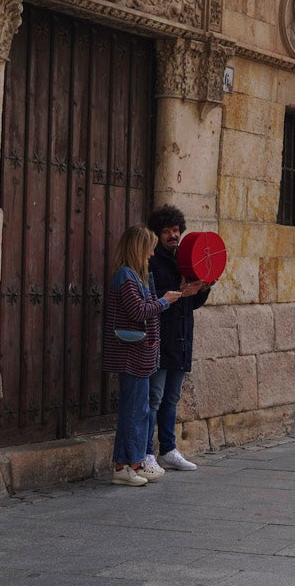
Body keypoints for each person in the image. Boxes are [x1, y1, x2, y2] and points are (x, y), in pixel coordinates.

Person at [103, 225, 183, 486]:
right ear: (138, 248)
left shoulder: (139, 276)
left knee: (139, 409)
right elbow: (139, 311)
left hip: (142, 352)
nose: (151, 254)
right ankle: (126, 465)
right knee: (134, 410)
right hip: (131, 353)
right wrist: (165, 301)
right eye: (149, 248)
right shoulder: (125, 276)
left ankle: (131, 463)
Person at [146, 205, 212, 471]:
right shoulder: (152, 261)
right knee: (154, 398)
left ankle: (169, 449)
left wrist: (201, 290)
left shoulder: (186, 259)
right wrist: (181, 292)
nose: (172, 235)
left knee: (172, 398)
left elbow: (190, 303)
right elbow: (155, 298)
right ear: (158, 234)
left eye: (175, 230)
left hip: (182, 340)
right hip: (161, 340)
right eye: (166, 231)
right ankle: (146, 453)